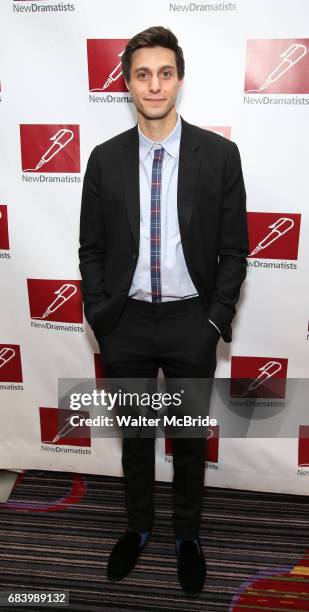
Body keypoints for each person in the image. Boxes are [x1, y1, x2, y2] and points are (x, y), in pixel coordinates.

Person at [79, 25, 248, 596]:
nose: (155, 85)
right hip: (124, 321)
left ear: (180, 79)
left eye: (165, 72)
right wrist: (100, 312)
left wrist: (213, 322)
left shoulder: (220, 155)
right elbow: (92, 249)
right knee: (135, 437)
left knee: (189, 439)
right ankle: (139, 526)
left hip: (189, 322)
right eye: (143, 74)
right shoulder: (104, 160)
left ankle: (187, 536)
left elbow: (234, 250)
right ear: (127, 83)